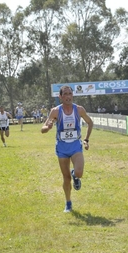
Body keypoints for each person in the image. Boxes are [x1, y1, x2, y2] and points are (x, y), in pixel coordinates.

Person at [41, 85, 93, 213]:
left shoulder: (79, 110)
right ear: (60, 97)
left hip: (75, 145)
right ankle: (68, 203)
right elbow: (43, 129)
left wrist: (86, 140)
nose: (68, 96)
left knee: (79, 172)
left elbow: (90, 122)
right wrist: (48, 127)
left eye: (70, 93)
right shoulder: (55, 111)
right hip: (62, 147)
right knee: (66, 178)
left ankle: (75, 175)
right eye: (65, 94)